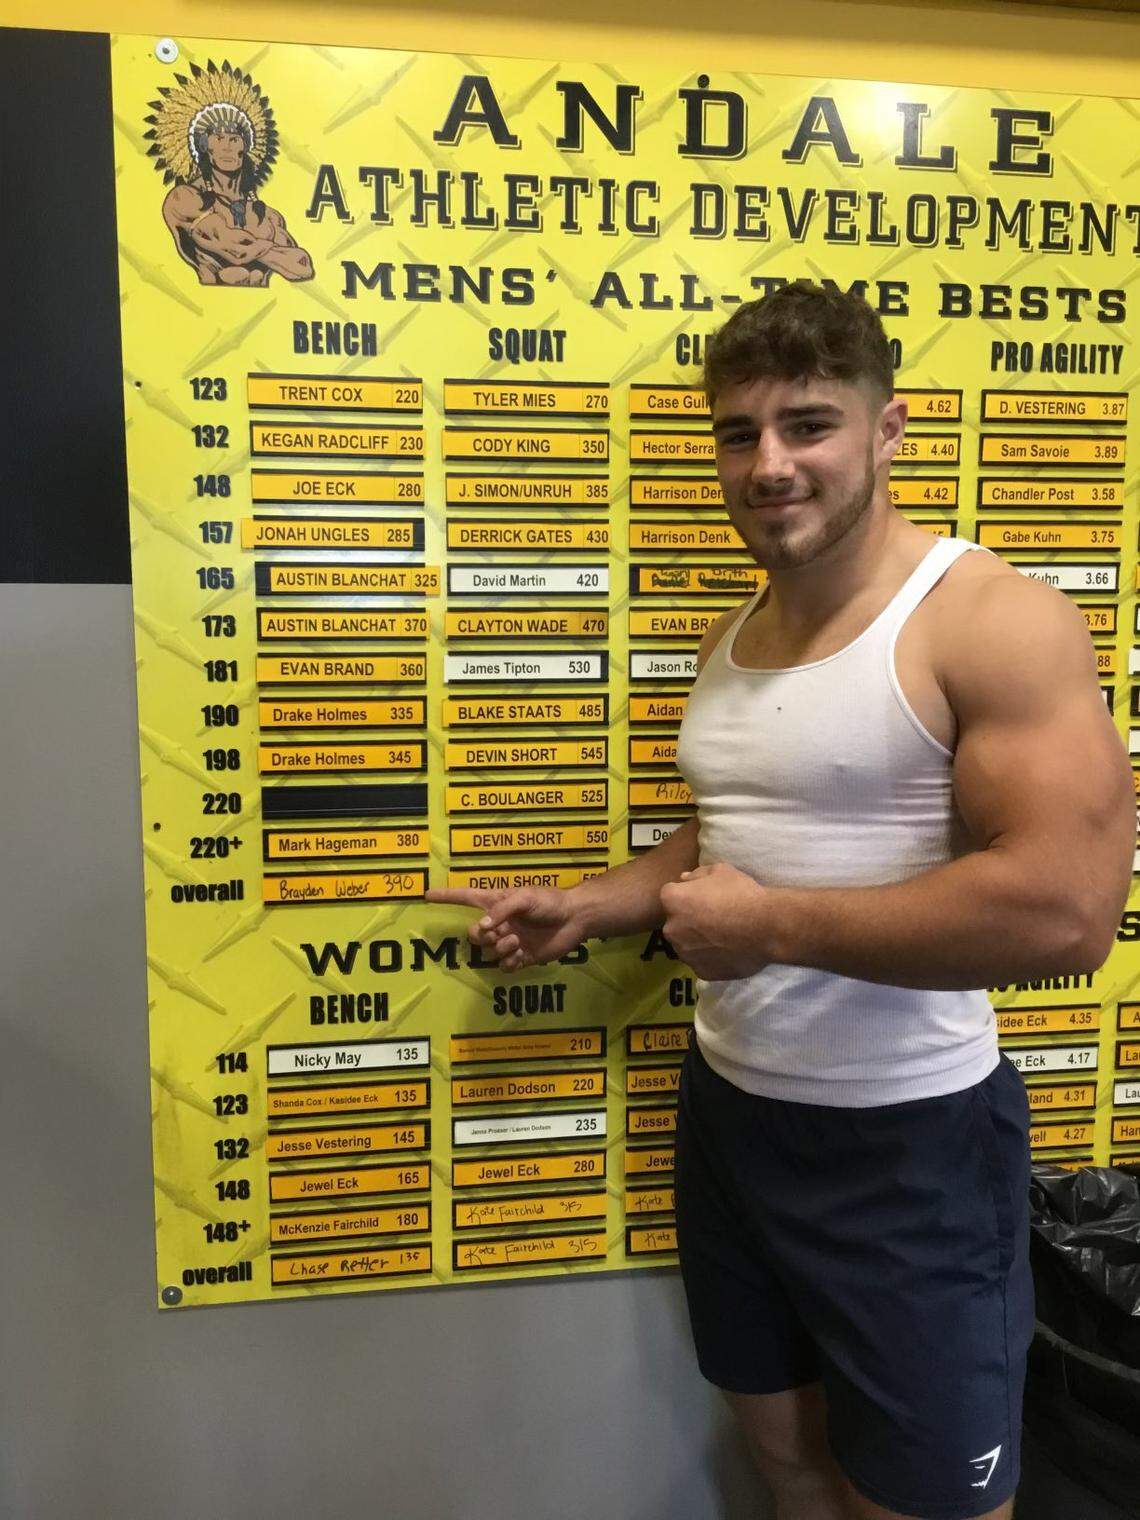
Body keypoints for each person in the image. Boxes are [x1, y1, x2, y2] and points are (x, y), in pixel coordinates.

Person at [426, 281, 1134, 1520]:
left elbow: (1067, 912)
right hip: (734, 1122)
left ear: (889, 428)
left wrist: (774, 926)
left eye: (808, 424)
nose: (769, 463)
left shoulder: (992, 620)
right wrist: (595, 903)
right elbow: (734, 832)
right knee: (789, 1460)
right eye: (737, 432)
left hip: (910, 1145)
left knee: (921, 1504)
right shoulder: (738, 631)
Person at [160, 108, 313, 286]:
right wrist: (273, 252)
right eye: (218, 139)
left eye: (234, 139)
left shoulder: (269, 216)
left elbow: (302, 267)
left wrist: (259, 250)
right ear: (204, 147)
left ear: (245, 146)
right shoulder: (184, 198)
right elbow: (234, 249)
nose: (227, 147)